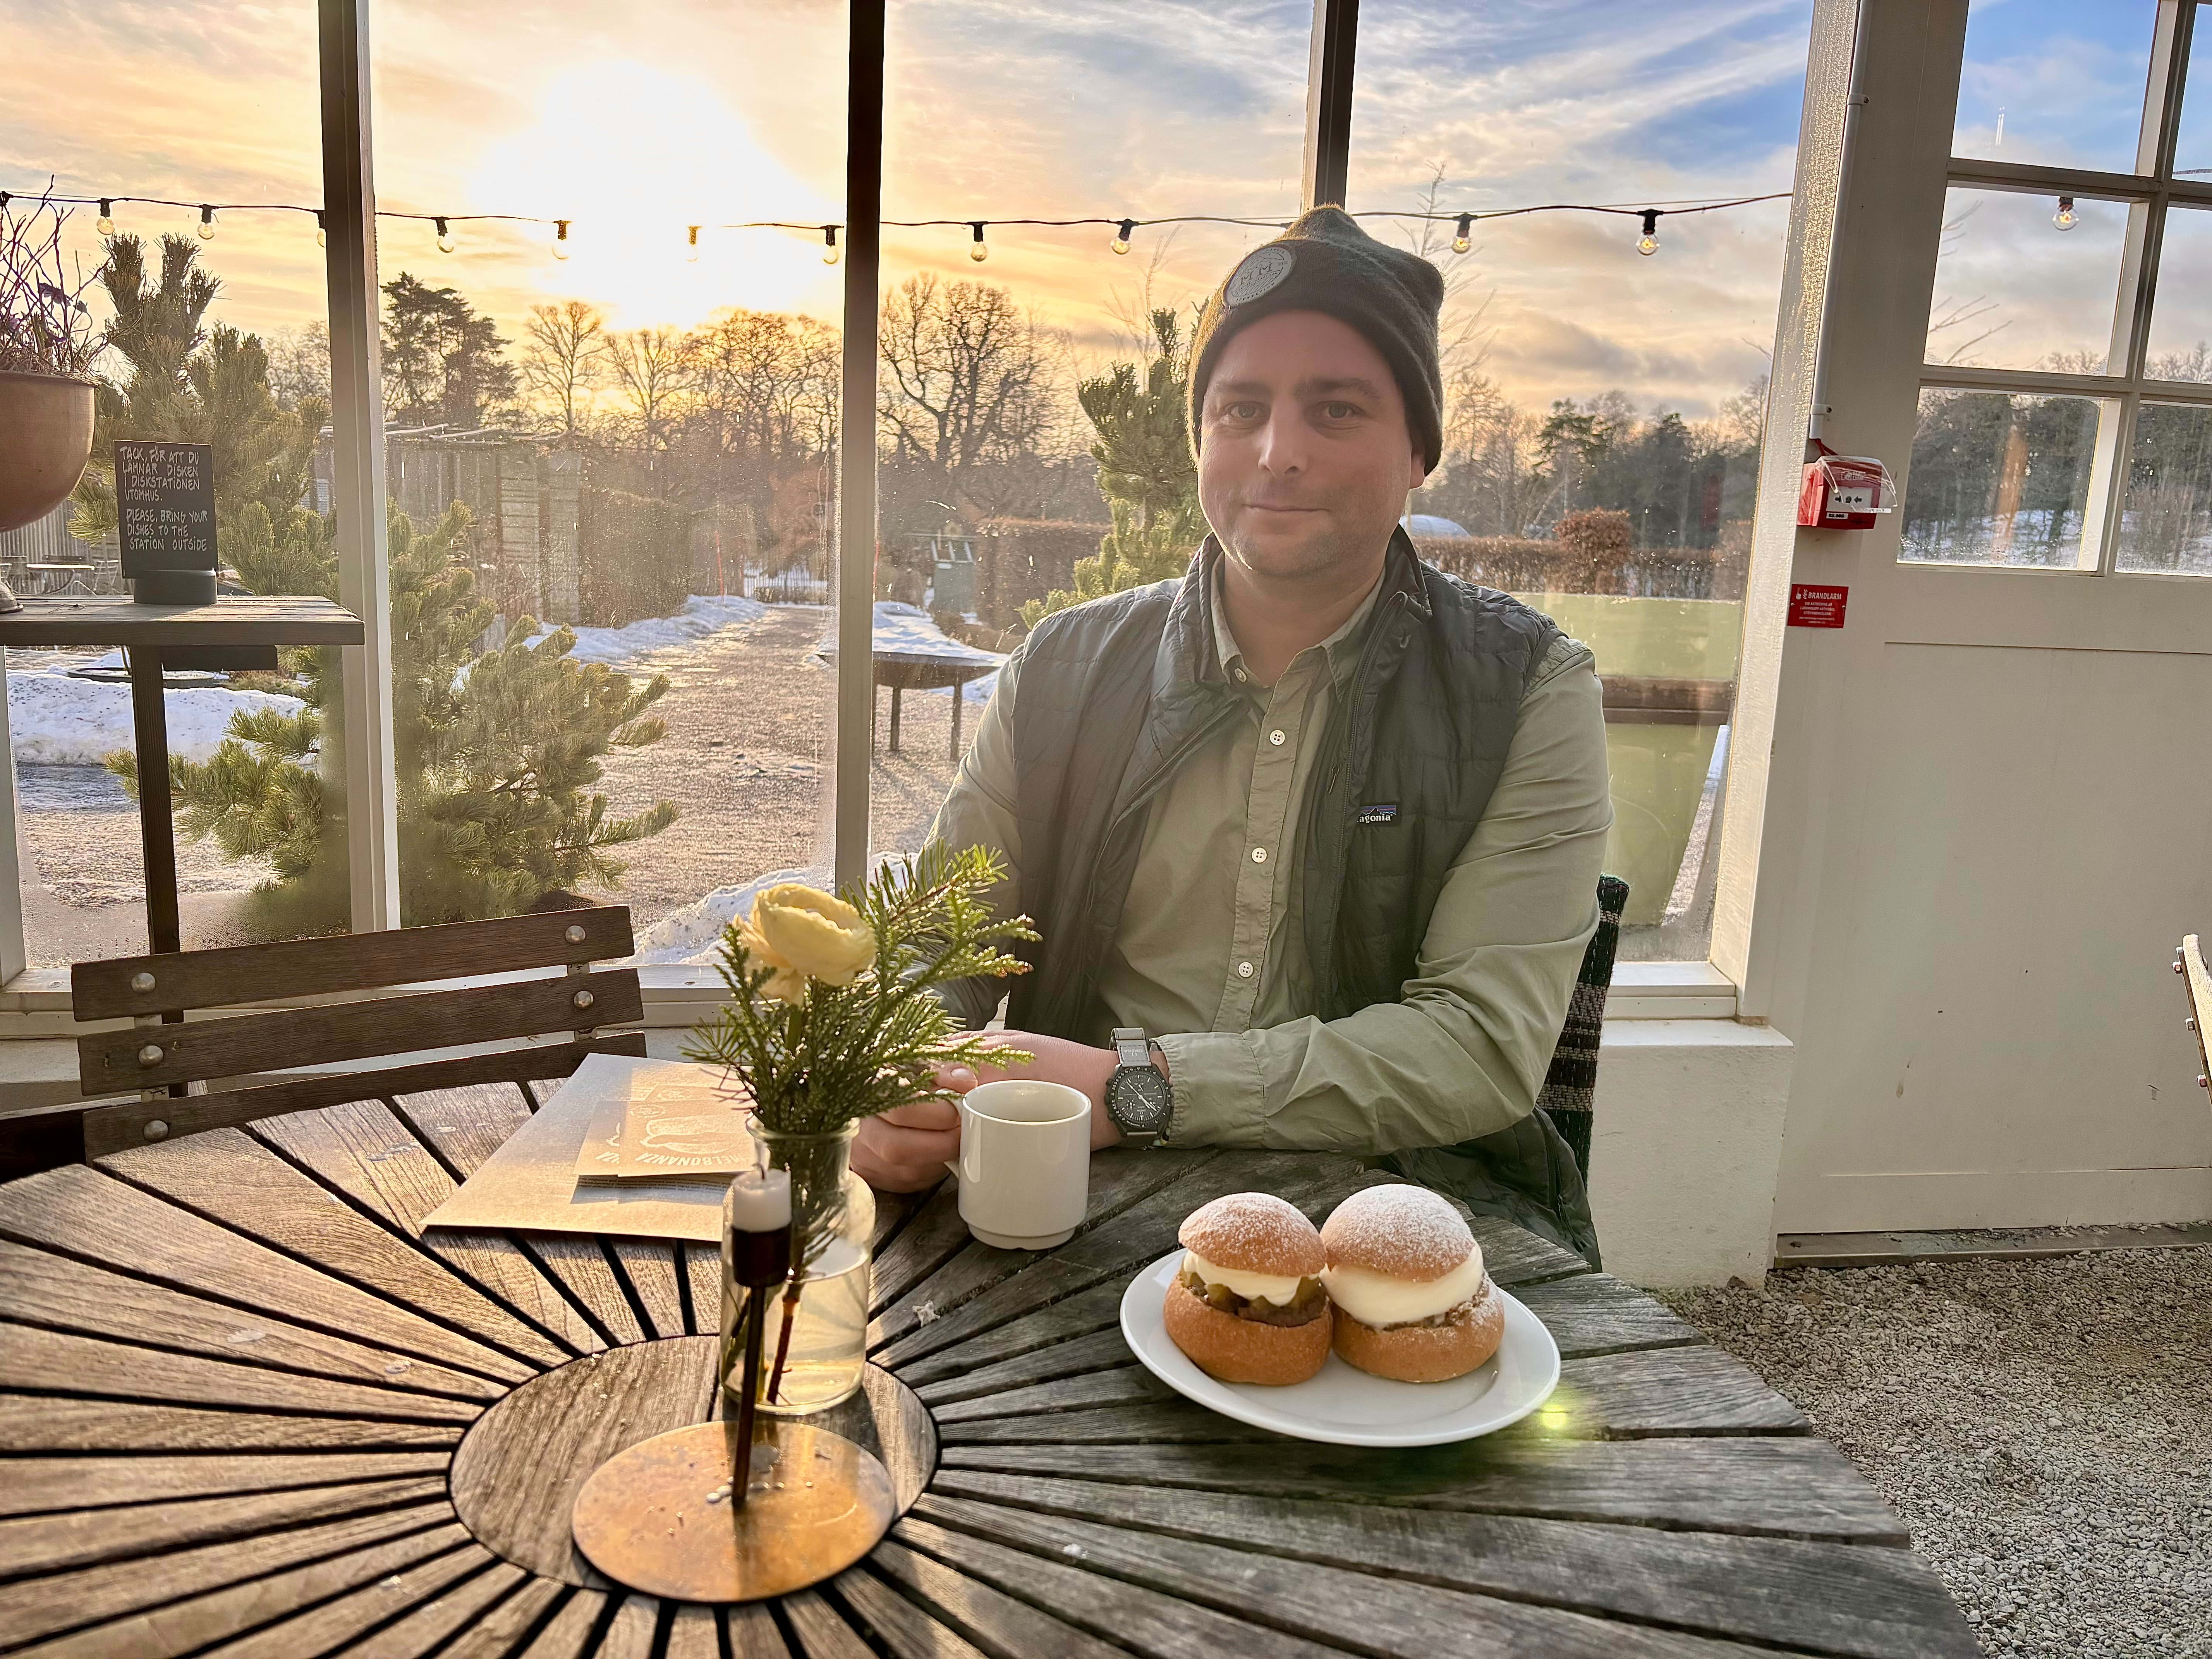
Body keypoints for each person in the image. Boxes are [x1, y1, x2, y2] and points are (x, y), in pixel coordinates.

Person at [854, 207, 1614, 1260]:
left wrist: (1139, 1089)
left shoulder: (1531, 687)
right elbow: (941, 941)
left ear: (1419, 451)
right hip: (1074, 1207)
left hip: (1400, 1213)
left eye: (1337, 409)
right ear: (1201, 438)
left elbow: (1479, 1046)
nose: (1278, 452)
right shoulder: (1062, 666)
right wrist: (900, 1072)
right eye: (1240, 408)